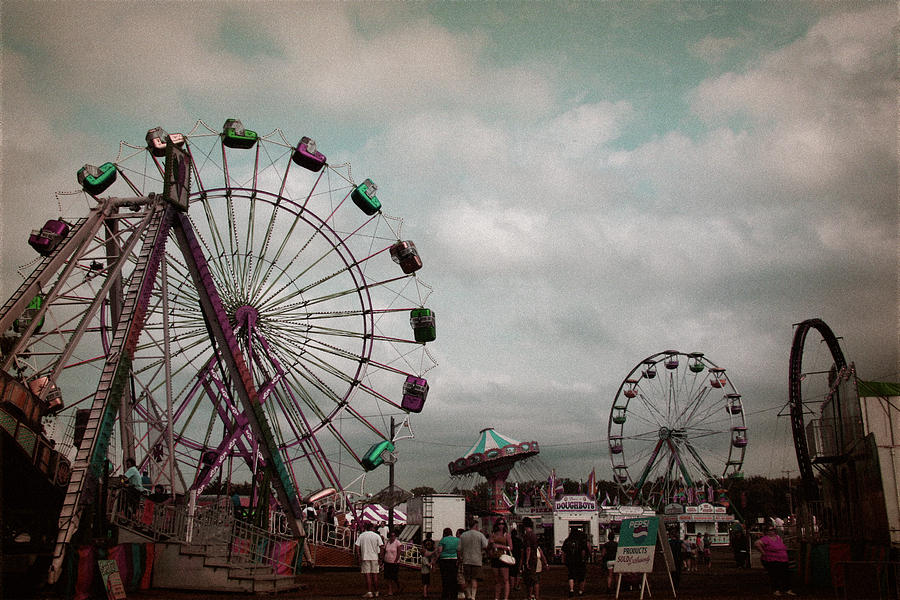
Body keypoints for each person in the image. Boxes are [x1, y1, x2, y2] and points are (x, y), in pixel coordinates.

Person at [755, 525, 795, 596]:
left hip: (782, 558)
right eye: (770, 530)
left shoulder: (778, 537)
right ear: (767, 532)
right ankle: (776, 590)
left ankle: (787, 589)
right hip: (772, 559)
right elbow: (757, 543)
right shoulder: (766, 539)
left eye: (773, 530)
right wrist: (763, 552)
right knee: (775, 575)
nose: (772, 532)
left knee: (785, 574)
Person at [459, 518, 488, 600]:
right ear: (475, 526)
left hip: (466, 560)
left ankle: (468, 595)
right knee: (474, 579)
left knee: (467, 579)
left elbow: (459, 549)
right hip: (477, 560)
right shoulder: (480, 535)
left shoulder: (463, 535)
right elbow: (485, 546)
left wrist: (460, 557)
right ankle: (473, 596)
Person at [355, 521, 384, 598]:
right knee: (375, 575)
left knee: (367, 575)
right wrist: (381, 558)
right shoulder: (376, 536)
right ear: (373, 528)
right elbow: (381, 547)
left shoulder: (362, 535)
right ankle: (377, 591)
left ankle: (369, 592)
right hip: (375, 557)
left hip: (365, 557)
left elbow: (357, 546)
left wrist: (358, 556)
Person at [521, 517, 548, 600]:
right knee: (536, 580)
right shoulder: (534, 535)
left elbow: (528, 548)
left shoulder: (527, 535)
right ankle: (536, 596)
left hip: (531, 559)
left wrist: (526, 561)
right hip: (536, 559)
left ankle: (529, 596)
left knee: (529, 580)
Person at [489, 519, 513, 600]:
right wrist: (491, 545)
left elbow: (511, 547)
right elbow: (489, 546)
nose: (501, 525)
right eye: (499, 524)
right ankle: (497, 597)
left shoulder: (507, 535)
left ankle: (505, 598)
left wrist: (499, 546)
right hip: (495, 557)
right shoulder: (493, 535)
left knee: (505, 579)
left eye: (502, 524)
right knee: (497, 580)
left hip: (504, 558)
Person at [561, 528, 588, 597]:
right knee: (581, 576)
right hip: (579, 561)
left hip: (570, 561)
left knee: (571, 575)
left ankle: (571, 590)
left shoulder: (567, 541)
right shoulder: (581, 541)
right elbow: (583, 551)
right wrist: (583, 559)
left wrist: (563, 560)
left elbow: (563, 551)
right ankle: (581, 591)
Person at [435, 527, 460, 600]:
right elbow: (459, 550)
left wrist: (435, 560)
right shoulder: (457, 540)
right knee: (454, 578)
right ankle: (454, 595)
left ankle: (445, 595)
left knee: (445, 579)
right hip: (454, 560)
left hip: (444, 560)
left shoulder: (443, 540)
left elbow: (439, 551)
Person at [383, 530, 403, 596]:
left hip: (394, 562)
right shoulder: (387, 542)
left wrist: (396, 560)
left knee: (394, 577)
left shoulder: (397, 542)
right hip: (387, 561)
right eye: (391, 536)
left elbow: (399, 552)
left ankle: (399, 586)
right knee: (388, 578)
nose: (392, 537)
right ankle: (390, 591)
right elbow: (384, 551)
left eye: (394, 536)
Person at [422, 532, 436, 598]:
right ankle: (433, 568)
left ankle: (426, 592)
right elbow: (434, 547)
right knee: (432, 562)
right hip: (431, 554)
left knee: (427, 564)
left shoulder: (424, 541)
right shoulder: (432, 542)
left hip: (426, 554)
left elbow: (423, 548)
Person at [509, 526, 523, 592]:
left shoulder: (509, 540)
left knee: (512, 573)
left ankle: (511, 586)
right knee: (518, 572)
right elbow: (522, 550)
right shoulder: (519, 541)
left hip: (510, 558)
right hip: (518, 557)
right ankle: (516, 585)